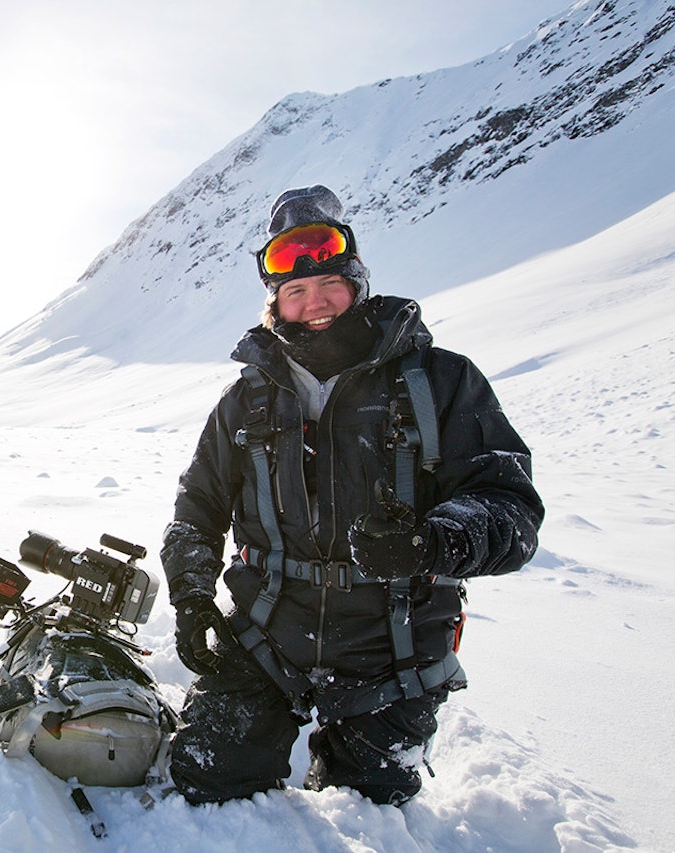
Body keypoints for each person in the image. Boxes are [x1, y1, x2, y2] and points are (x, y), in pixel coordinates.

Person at [161, 184, 544, 807]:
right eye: (295, 291)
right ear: (275, 304)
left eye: (330, 285)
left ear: (357, 284)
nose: (315, 304)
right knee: (208, 785)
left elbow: (509, 507)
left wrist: (434, 540)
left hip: (393, 649)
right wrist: (192, 595)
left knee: (369, 810)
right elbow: (196, 509)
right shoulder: (246, 398)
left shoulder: (439, 381)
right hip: (266, 635)